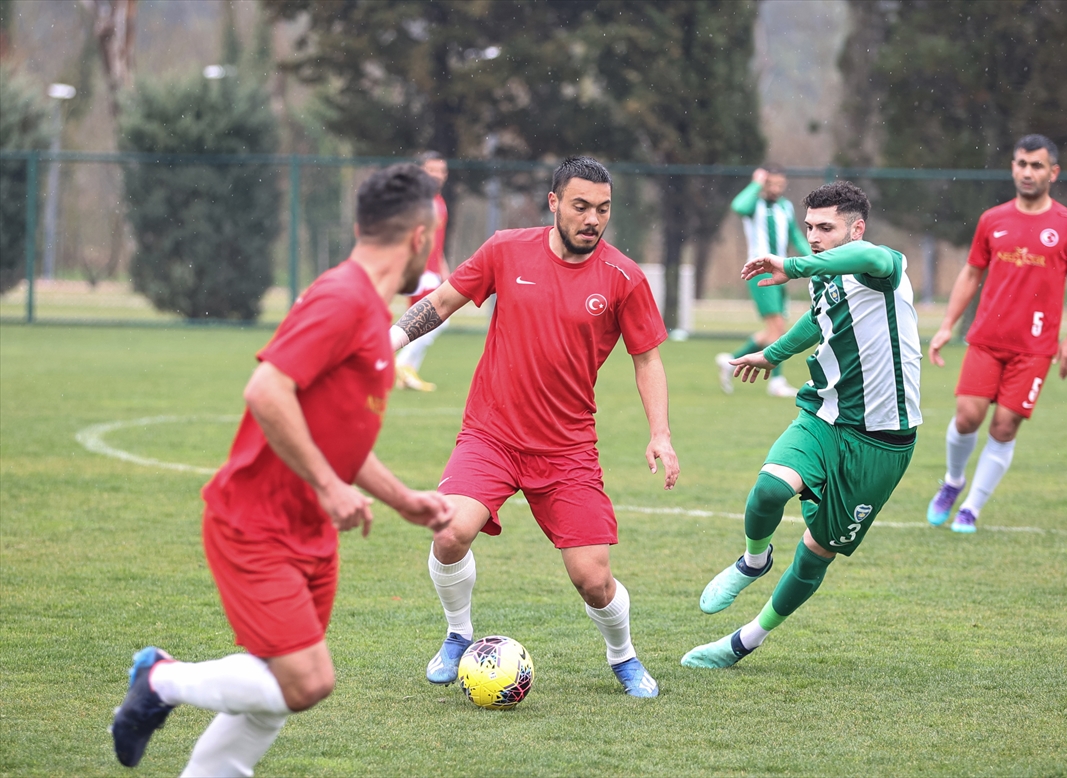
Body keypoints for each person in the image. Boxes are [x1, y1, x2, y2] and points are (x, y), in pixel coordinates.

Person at [110, 164, 455, 773]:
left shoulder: (372, 314)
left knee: (269, 692)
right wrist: (328, 485)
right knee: (307, 682)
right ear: (420, 240)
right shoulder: (343, 298)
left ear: (360, 225)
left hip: (310, 534)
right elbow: (267, 390)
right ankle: (158, 678)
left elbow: (338, 432)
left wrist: (401, 498)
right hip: (255, 523)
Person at [389, 156, 680, 697]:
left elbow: (647, 359)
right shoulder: (505, 249)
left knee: (593, 580)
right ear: (553, 203)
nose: (592, 219)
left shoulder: (624, 277)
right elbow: (444, 300)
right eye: (580, 206)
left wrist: (660, 433)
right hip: (491, 435)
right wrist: (390, 343)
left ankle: (624, 656)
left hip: (567, 448)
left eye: (603, 209)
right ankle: (458, 634)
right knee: (450, 531)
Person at [681, 181, 922, 669]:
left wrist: (791, 266)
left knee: (817, 550)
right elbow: (818, 320)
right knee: (769, 490)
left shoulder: (882, 264)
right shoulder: (822, 274)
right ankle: (753, 560)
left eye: (826, 228)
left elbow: (863, 262)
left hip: (883, 440)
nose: (813, 237)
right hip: (825, 413)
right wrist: (772, 355)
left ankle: (744, 641)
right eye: (809, 226)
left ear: (857, 229)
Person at [926, 135, 1067, 534]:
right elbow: (971, 273)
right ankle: (952, 482)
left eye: (1036, 165)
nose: (1027, 172)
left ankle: (972, 508)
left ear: (1053, 172)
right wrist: (948, 324)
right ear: (1012, 167)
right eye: (1021, 164)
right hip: (987, 337)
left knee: (1003, 427)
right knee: (967, 417)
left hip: (1035, 347)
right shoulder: (992, 219)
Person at [717, 164, 813, 398]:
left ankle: (730, 361)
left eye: (781, 184)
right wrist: (756, 183)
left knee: (772, 331)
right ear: (764, 182)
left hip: (779, 272)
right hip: (760, 271)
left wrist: (814, 260)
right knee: (777, 329)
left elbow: (795, 236)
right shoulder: (755, 205)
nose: (777, 188)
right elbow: (738, 206)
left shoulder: (785, 207)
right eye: (772, 183)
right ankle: (776, 382)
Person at [395, 151, 452, 392]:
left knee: (424, 322)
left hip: (432, 272)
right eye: (431, 170)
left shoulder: (439, 201)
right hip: (419, 272)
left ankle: (407, 375)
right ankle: (402, 363)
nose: (437, 175)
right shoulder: (414, 202)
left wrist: (444, 270)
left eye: (441, 171)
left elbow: (437, 244)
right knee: (436, 320)